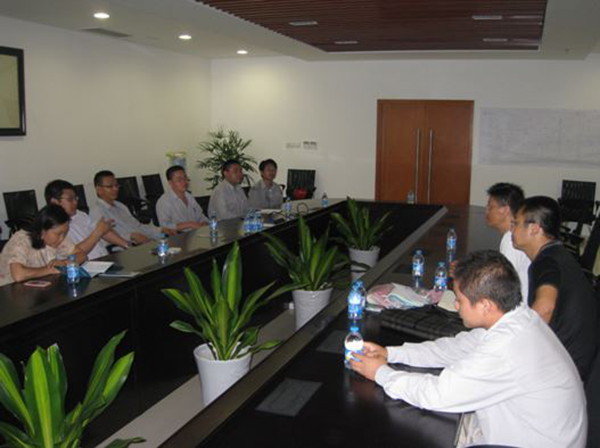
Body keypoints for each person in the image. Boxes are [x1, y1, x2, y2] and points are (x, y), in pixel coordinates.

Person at [350, 250, 586, 448]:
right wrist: (390, 353)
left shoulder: (507, 347)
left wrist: (380, 372)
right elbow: (456, 348)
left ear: (485, 305)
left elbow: (437, 395)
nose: (455, 306)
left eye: (459, 300)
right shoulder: (517, 318)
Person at [512, 195, 597, 380]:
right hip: (578, 359)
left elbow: (545, 308)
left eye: (516, 224)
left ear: (534, 228)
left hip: (567, 368)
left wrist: (514, 343)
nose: (512, 229)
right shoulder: (557, 254)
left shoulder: (547, 261)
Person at [0, 205, 87, 285]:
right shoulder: (21, 240)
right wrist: (51, 269)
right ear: (42, 231)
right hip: (7, 289)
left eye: (65, 233)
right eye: (58, 234)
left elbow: (81, 255)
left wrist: (65, 263)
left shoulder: (58, 239)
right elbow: (18, 275)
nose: (62, 238)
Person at [45, 179, 129, 259]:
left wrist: (127, 245)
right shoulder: (52, 227)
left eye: (76, 198)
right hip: (84, 266)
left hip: (105, 260)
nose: (75, 202)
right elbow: (72, 255)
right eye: (70, 199)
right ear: (54, 202)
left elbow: (103, 232)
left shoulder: (80, 214)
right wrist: (97, 233)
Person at [89, 170, 176, 245]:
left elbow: (138, 226)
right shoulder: (97, 211)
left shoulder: (121, 206)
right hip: (123, 249)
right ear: (98, 189)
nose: (115, 189)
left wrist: (160, 230)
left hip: (142, 243)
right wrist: (131, 236)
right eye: (110, 186)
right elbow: (104, 236)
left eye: (116, 185)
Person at [485, 182, 530, 302]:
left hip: (517, 306)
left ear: (505, 210)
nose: (486, 211)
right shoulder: (516, 233)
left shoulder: (512, 240)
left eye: (490, 207)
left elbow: (503, 284)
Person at [156, 166, 208, 231]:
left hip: (196, 233)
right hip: (179, 235)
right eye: (179, 180)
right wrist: (188, 224)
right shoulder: (164, 201)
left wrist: (204, 222)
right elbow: (164, 226)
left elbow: (200, 216)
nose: (184, 182)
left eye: (185, 178)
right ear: (170, 183)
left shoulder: (189, 197)